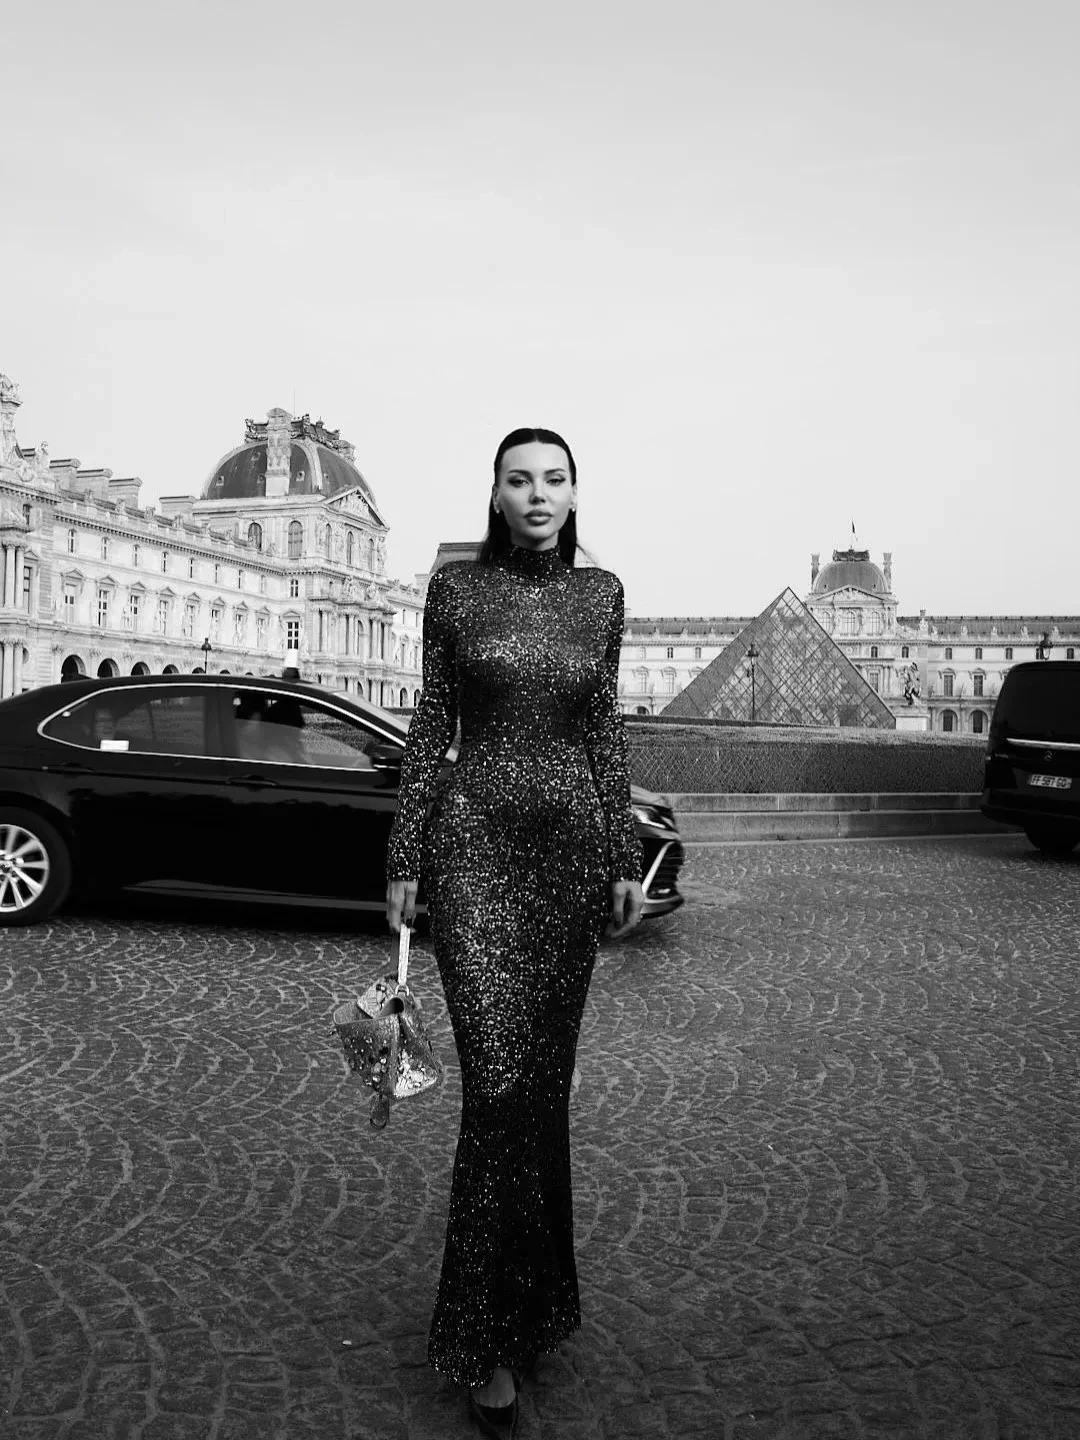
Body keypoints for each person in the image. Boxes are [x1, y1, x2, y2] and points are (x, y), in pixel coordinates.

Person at [385, 427, 645, 1438]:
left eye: (555, 479)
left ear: (575, 493)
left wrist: (621, 852)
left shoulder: (602, 596)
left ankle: (536, 1306)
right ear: (494, 494)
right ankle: (484, 1342)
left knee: (538, 1098)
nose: (538, 494)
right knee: (496, 1093)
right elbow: (430, 721)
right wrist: (405, 854)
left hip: (569, 857)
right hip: (476, 855)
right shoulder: (455, 593)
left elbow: (605, 727)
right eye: (520, 479)